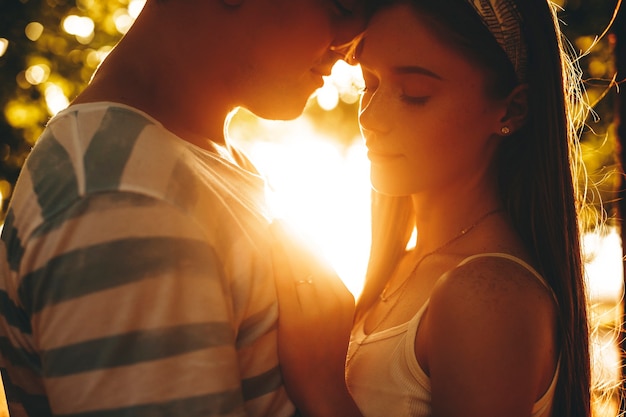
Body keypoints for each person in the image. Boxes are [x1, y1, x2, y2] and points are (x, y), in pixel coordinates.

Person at [0, 0, 382, 415]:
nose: (352, 46)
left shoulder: (186, 166)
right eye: (341, 6)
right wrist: (327, 396)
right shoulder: (122, 200)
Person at [272, 0, 593, 416]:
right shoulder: (406, 268)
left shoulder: (485, 296)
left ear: (511, 109)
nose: (370, 118)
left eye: (414, 95)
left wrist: (321, 387)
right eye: (368, 84)